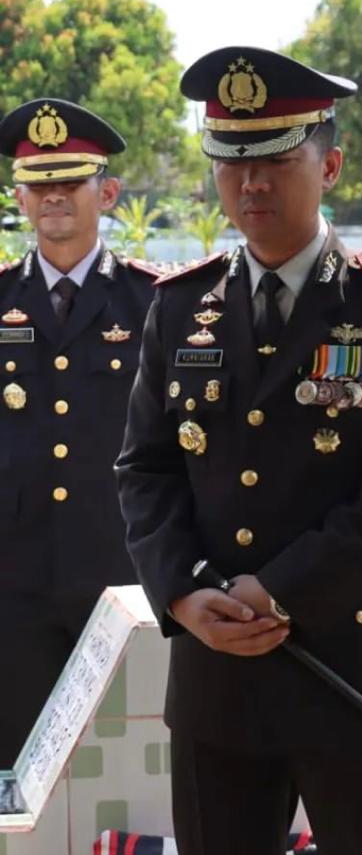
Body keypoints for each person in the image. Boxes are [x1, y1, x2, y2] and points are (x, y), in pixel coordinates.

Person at [114, 46, 362, 855]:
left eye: (274, 159)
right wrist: (185, 595)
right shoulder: (180, 305)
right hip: (215, 672)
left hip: (345, 662)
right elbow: (147, 468)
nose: (252, 184)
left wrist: (281, 587)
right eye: (232, 162)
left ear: (329, 165)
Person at [0, 98, 158, 764]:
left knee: (121, 766)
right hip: (16, 580)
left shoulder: (154, 302)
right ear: (19, 196)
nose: (53, 195)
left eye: (71, 179)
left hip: (120, 572)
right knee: (17, 770)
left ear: (109, 191)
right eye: (39, 182)